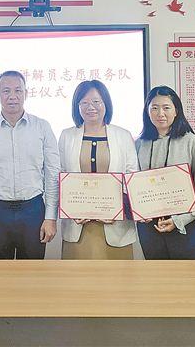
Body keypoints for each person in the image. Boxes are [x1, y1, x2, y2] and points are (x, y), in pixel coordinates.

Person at [0, 71, 60, 259]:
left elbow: (52, 175)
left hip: (33, 209)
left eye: (18, 90)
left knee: (32, 272)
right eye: (6, 91)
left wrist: (50, 217)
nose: (12, 96)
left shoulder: (42, 127)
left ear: (26, 93)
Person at [58, 80, 138, 260]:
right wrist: (72, 209)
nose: (90, 107)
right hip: (78, 225)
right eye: (84, 103)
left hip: (115, 225)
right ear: (77, 106)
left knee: (117, 276)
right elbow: (60, 177)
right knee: (78, 276)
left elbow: (131, 179)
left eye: (96, 101)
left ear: (106, 104)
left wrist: (118, 211)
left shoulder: (123, 136)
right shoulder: (66, 136)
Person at [135, 86, 195, 260]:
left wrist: (179, 221)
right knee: (155, 276)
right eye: (154, 108)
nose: (160, 113)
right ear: (147, 111)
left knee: (186, 277)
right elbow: (134, 187)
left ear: (176, 111)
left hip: (184, 229)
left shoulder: (192, 142)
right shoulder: (139, 144)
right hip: (149, 229)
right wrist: (140, 213)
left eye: (166, 107)